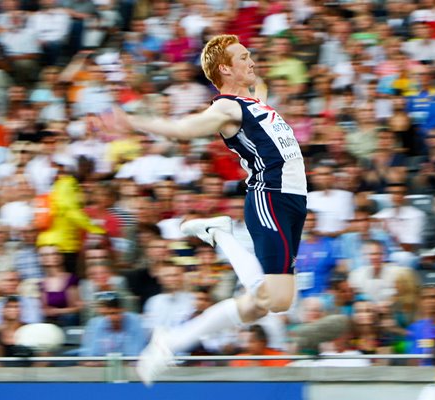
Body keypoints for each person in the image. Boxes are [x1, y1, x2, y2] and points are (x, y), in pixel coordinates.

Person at [110, 34, 308, 385]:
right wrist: (137, 123)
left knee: (265, 304)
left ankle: (217, 237)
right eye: (243, 57)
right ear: (224, 69)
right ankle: (174, 335)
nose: (251, 61)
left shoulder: (254, 99)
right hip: (270, 197)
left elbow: (252, 79)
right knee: (270, 296)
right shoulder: (227, 108)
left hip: (294, 200)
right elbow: (183, 130)